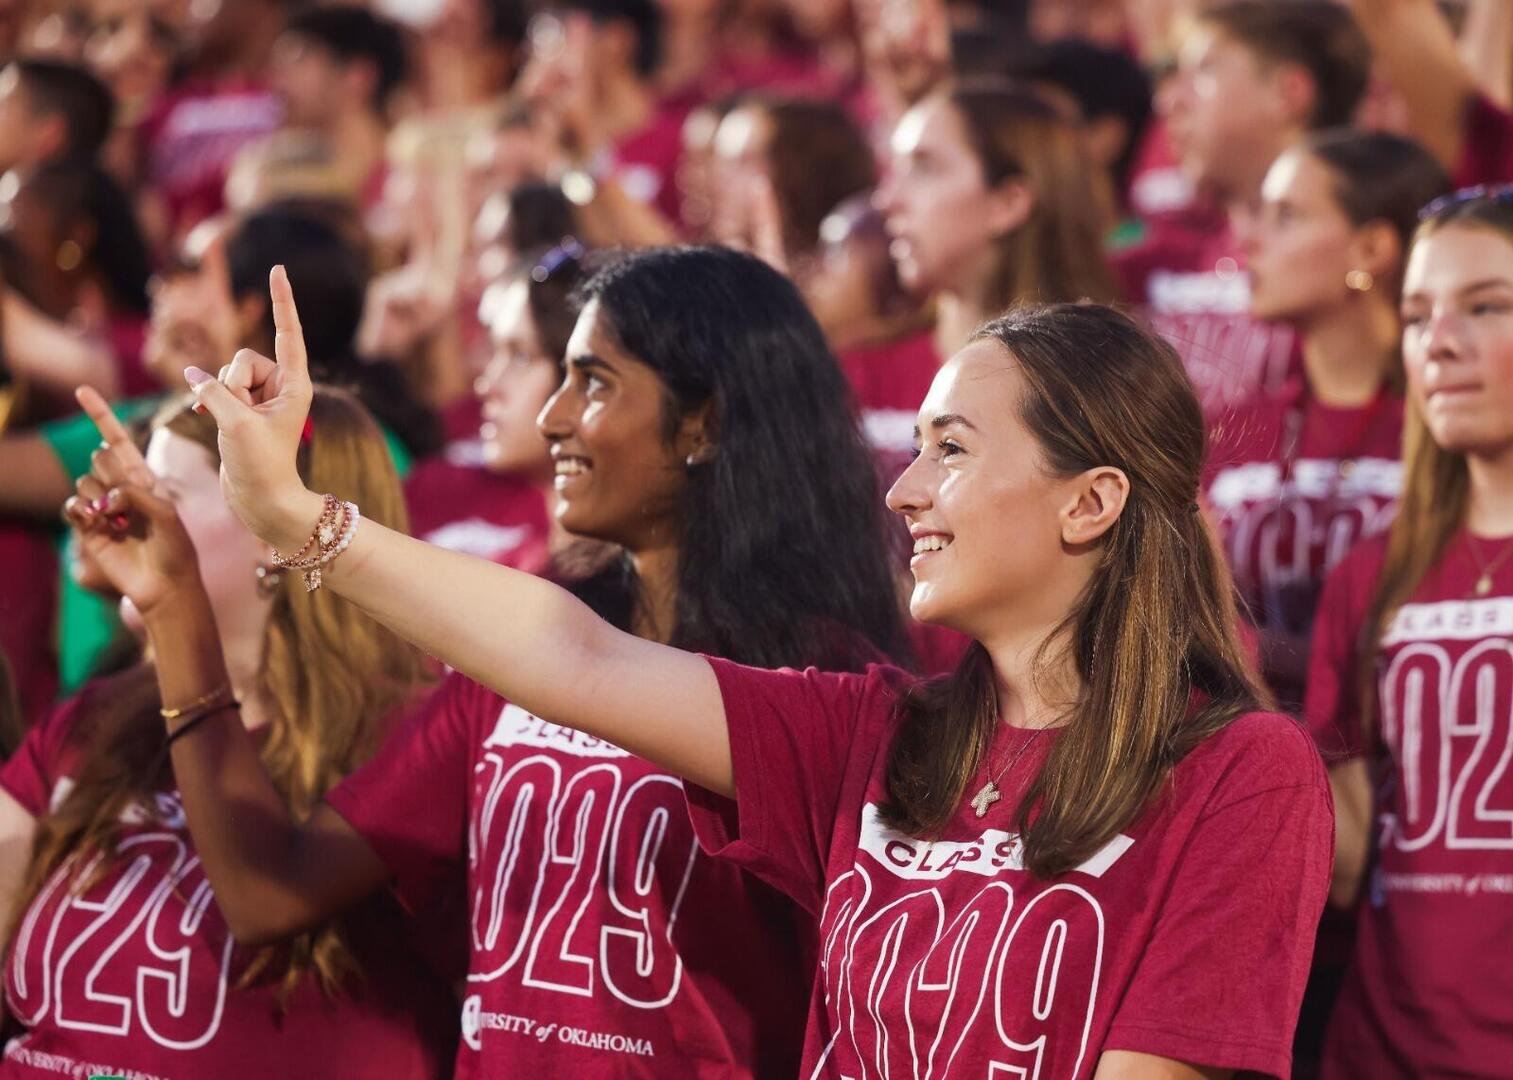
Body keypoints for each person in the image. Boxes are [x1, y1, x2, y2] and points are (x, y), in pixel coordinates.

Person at [156, 256, 1326, 1076]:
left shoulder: (1241, 775)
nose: (906, 490)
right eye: (914, 447)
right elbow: (570, 651)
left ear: (1091, 501)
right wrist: (299, 519)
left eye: (952, 451)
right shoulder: (875, 737)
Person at [82, 247, 913, 1077]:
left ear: (701, 423)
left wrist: (293, 515)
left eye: (593, 383)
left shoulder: (820, 693)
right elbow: (269, 890)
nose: (552, 418)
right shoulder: (508, 663)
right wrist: (174, 606)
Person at [5, 387, 457, 1078]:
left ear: (277, 529)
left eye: (165, 494)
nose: (127, 511)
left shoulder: (407, 740)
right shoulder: (95, 719)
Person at [1306, 187, 1513, 1079]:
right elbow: (1348, 865)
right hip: (1378, 1053)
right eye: (1419, 315)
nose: (1440, 343)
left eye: (1486, 307)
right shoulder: (1369, 573)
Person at [1209, 130, 1451, 711]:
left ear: (1370, 249)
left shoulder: (1451, 428)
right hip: (1246, 742)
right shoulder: (1226, 429)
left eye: (1286, 216)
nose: (1250, 240)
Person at [1117, 1, 1371, 417]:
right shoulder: (1145, 263)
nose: (1168, 101)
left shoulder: (1354, 250)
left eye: (1203, 72)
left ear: (1287, 93)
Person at [875, 81, 1119, 360]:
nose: (887, 201)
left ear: (1008, 203)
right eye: (895, 170)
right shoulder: (863, 373)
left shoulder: (1109, 370)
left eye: (924, 169)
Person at [403, 243, 584, 571]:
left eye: (521, 357)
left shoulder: (624, 544)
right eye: (494, 351)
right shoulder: (436, 487)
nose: (488, 385)